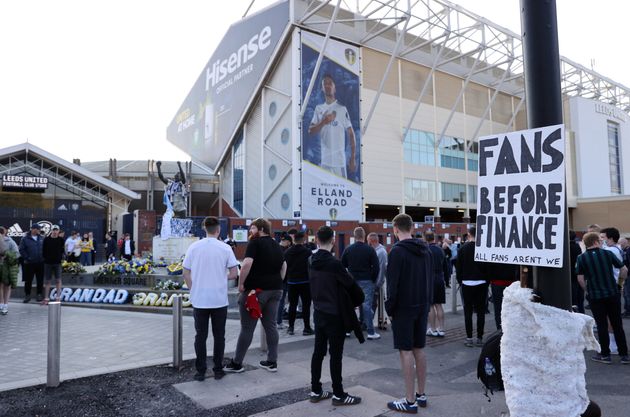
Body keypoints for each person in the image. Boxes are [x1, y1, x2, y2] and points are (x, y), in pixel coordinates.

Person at [308, 225, 362, 406]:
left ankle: (315, 390)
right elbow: (351, 285)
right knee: (335, 355)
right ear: (332, 241)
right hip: (334, 314)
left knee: (318, 352)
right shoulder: (334, 264)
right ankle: (338, 394)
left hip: (319, 311)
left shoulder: (310, 260)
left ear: (316, 239)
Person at [385, 214, 433, 413]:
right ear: (412, 228)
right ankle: (421, 394)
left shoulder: (397, 252)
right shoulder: (426, 250)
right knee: (419, 349)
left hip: (404, 308)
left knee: (405, 351)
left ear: (395, 228)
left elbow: (392, 285)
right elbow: (430, 278)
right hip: (422, 305)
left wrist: (390, 308)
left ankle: (409, 400)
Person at [225, 218, 286, 373]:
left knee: (247, 328)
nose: (250, 232)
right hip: (276, 290)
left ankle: (237, 363)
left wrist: (241, 284)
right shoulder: (276, 245)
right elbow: (284, 265)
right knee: (271, 326)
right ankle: (272, 361)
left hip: (255, 292)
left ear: (260, 229)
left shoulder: (255, 243)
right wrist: (278, 281)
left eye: (252, 228)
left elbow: (246, 265)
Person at [183, 216, 240, 381]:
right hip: (218, 299)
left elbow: (185, 272)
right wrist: (220, 277)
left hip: (200, 298)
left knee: (200, 335)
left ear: (204, 229)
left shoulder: (194, 247)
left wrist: (194, 287)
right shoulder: (225, 248)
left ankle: (200, 371)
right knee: (219, 335)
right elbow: (234, 273)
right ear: (218, 230)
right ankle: (218, 369)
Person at [576, 232, 629, 364]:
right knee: (617, 324)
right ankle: (624, 355)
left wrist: (587, 290)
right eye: (599, 240)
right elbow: (624, 269)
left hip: (595, 296)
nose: (601, 242)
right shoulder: (607, 254)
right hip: (612, 293)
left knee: (601, 325)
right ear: (595, 242)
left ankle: (605, 355)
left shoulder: (581, 258)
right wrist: (619, 284)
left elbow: (580, 278)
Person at [308, 74, 357, 179]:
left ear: (334, 87)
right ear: (322, 88)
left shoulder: (342, 109)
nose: (327, 86)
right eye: (324, 84)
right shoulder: (319, 109)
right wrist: (323, 122)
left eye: (330, 83)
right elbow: (310, 131)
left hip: (339, 163)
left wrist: (352, 157)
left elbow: (351, 134)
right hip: (325, 162)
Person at [341, 227, 380, 339]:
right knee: (367, 306)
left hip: (352, 281)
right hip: (367, 281)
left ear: (354, 236)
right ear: (364, 236)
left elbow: (342, 265)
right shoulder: (370, 249)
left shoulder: (348, 249)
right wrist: (372, 278)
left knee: (350, 305)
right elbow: (376, 267)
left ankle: (347, 330)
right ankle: (371, 332)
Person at [456, 227, 488, 347]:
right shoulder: (483, 248)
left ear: (469, 234)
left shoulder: (463, 249)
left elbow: (459, 267)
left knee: (467, 312)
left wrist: (460, 280)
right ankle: (479, 337)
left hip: (467, 283)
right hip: (481, 283)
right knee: (481, 312)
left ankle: (469, 338)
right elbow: (487, 267)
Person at [284, 231, 313, 336]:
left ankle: (291, 328)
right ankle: (306, 328)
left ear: (293, 240)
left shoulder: (287, 252)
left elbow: (285, 267)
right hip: (305, 282)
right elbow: (311, 266)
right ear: (303, 240)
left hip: (292, 282)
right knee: (306, 305)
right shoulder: (308, 252)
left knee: (292, 305)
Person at [425, 231, 448, 337]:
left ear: (425, 239)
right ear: (434, 238)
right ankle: (442, 329)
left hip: (429, 279)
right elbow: (445, 266)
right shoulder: (440, 249)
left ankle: (433, 329)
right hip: (440, 278)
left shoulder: (425, 250)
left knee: (430, 305)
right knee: (439, 305)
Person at [19, 224, 45, 303]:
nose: (38, 230)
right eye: (37, 229)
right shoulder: (25, 239)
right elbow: (21, 250)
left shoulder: (42, 238)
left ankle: (39, 294)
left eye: (39, 229)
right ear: (32, 229)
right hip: (29, 263)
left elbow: (45, 248)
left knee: (40, 280)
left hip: (40, 263)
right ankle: (27, 295)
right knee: (28, 280)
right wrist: (27, 258)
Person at [367, 232, 387, 326]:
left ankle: (368, 323)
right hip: (372, 282)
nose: (367, 243)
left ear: (371, 241)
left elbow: (382, 270)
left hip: (375, 283)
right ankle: (367, 322)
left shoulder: (381, 252)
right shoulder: (375, 251)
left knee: (372, 304)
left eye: (368, 241)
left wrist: (377, 285)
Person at [42, 225, 65, 304]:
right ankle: (46, 298)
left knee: (58, 280)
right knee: (47, 281)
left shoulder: (61, 240)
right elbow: (43, 251)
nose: (55, 232)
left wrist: (60, 258)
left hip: (57, 263)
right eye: (54, 230)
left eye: (56, 230)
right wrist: (46, 258)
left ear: (58, 231)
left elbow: (62, 250)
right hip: (48, 263)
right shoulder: (46, 239)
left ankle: (58, 297)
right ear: (51, 231)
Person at [0, 226, 20, 314]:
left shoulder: (10, 241)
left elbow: (16, 254)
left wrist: (7, 255)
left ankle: (5, 305)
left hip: (8, 267)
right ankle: (1, 304)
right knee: (0, 286)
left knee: (7, 286)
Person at [570, 230, 585, 313]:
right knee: (580, 299)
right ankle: (582, 314)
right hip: (577, 273)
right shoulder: (577, 246)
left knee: (573, 300)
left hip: (571, 276)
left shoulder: (566, 247)